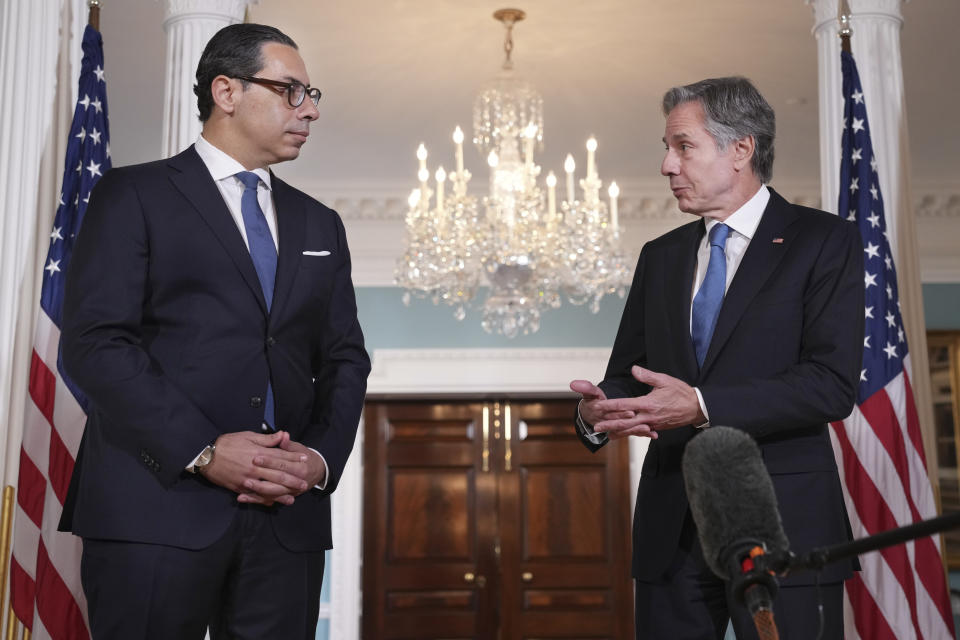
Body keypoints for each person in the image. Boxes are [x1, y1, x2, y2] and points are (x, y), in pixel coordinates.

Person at [58, 23, 370, 639]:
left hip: (286, 517)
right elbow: (96, 342)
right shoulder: (133, 194)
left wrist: (316, 461)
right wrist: (204, 450)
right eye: (290, 91)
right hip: (153, 504)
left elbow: (344, 360)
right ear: (226, 91)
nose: (308, 110)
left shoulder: (321, 225)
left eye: (312, 96)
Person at [570, 77, 864, 639]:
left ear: (740, 149)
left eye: (683, 146)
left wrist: (701, 405)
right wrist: (596, 413)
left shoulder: (823, 241)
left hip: (783, 524)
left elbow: (830, 385)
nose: (666, 166)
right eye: (668, 148)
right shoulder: (661, 257)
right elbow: (628, 374)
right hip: (671, 532)